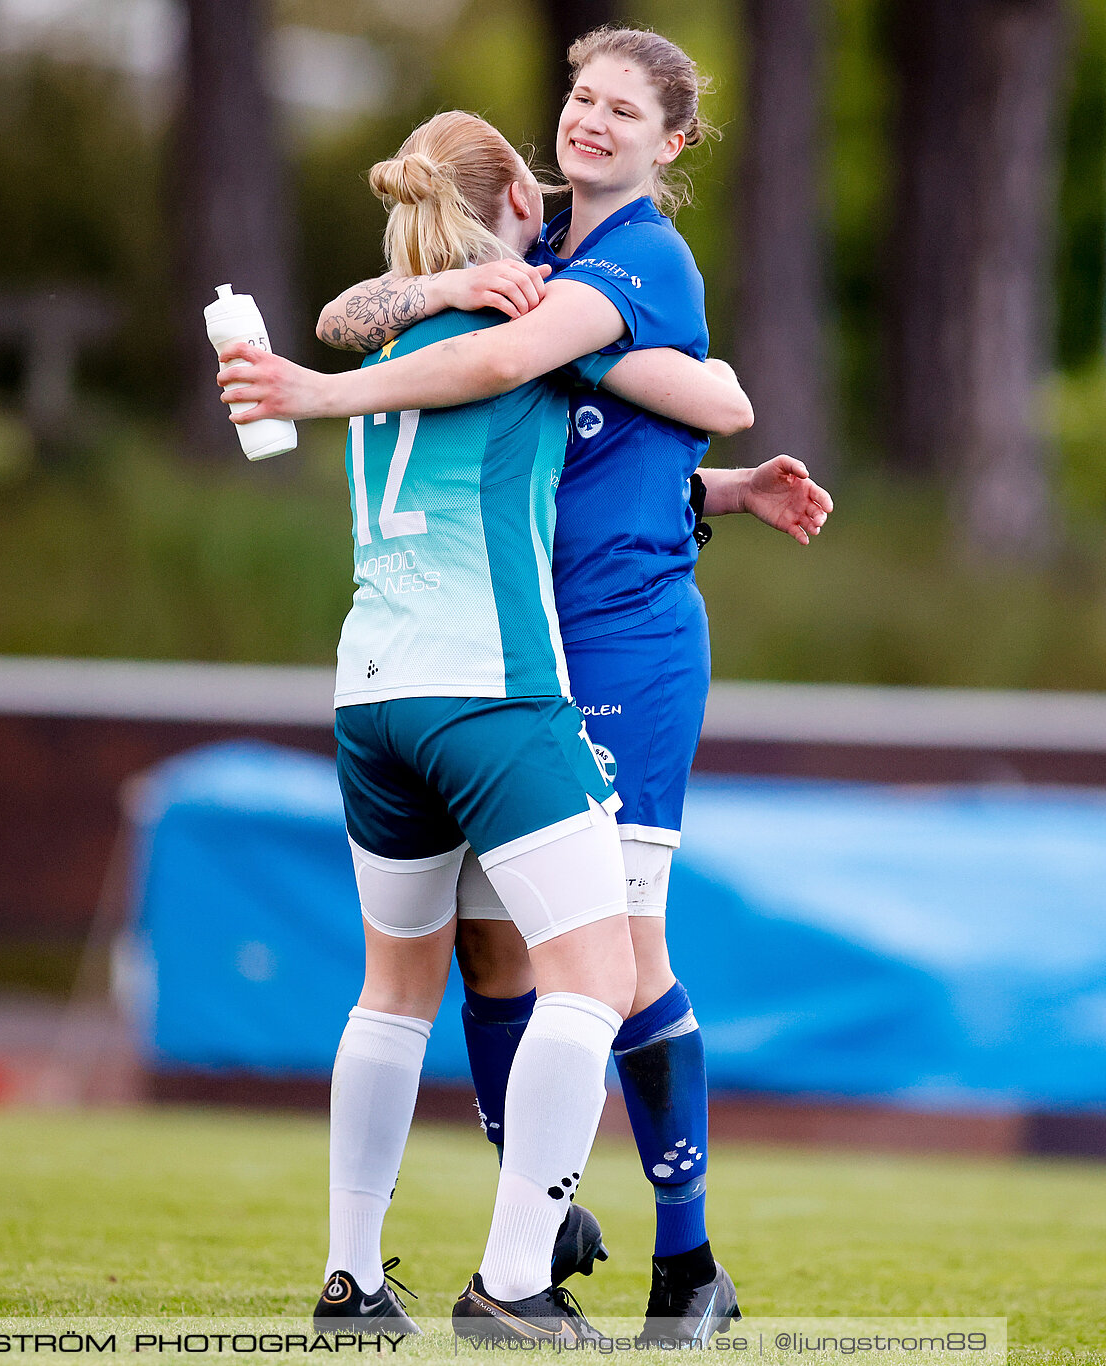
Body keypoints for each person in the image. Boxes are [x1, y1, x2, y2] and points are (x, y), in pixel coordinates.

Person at [228, 26, 832, 1348]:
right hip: (508, 651)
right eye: (580, 98)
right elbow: (419, 335)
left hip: (613, 639)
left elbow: (604, 382)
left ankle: (686, 1261)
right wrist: (454, 300)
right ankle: (534, 1231)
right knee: (503, 948)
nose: (591, 121)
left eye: (624, 108)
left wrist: (693, 406)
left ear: (673, 143)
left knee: (618, 950)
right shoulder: (533, 246)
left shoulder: (644, 255)